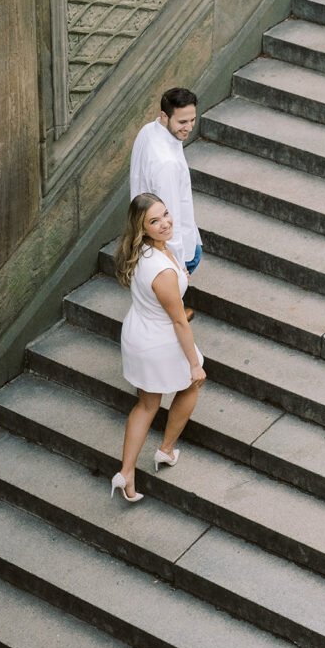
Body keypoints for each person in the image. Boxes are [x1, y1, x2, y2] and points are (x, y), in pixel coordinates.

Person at [110, 192, 206, 502]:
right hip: (160, 340)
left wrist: (181, 276)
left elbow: (162, 285)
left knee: (146, 405)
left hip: (140, 333)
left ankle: (126, 473)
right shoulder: (162, 271)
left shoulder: (145, 251)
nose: (165, 222)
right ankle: (165, 450)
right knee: (192, 384)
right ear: (142, 227)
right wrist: (194, 363)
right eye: (155, 220)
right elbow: (179, 322)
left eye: (165, 214)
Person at [130, 87, 202, 280]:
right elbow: (171, 219)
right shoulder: (166, 164)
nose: (189, 127)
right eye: (182, 122)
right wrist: (177, 265)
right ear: (164, 116)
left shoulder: (148, 130)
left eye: (192, 119)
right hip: (172, 250)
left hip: (149, 239)